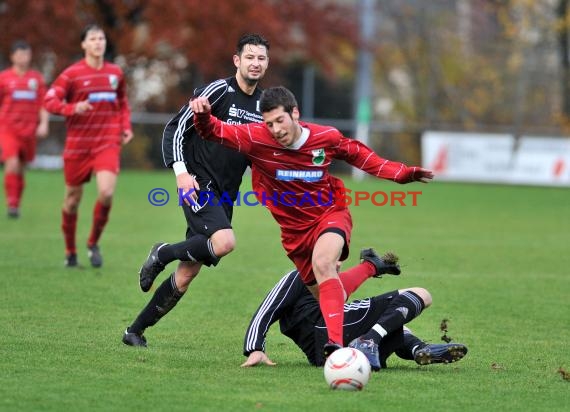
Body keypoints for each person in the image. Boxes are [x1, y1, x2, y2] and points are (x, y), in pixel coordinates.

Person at [190, 86, 434, 359]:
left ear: (295, 113)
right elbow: (215, 131)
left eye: (280, 121)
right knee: (331, 295)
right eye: (269, 124)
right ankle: (370, 266)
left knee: (324, 264)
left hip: (330, 214)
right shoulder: (255, 138)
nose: (276, 130)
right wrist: (202, 116)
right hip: (294, 234)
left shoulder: (324, 137)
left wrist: (402, 174)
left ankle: (337, 348)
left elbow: (361, 155)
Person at [122, 34, 271, 347]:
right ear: (237, 60)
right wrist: (181, 172)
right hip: (198, 182)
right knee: (225, 241)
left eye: (261, 58)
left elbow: (263, 151)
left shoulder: (265, 105)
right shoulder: (219, 90)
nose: (255, 63)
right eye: (250, 57)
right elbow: (176, 127)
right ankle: (161, 252)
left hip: (227, 194)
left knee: (187, 274)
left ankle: (134, 331)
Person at [241, 254, 468, 370]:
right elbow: (266, 310)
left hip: (326, 354)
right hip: (329, 332)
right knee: (421, 293)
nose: (338, 263)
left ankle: (418, 349)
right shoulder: (297, 276)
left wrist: (371, 268)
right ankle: (370, 340)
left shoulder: (324, 282)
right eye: (333, 256)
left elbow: (346, 284)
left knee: (392, 318)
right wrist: (254, 348)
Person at [44, 24, 133, 268]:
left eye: (101, 38)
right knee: (72, 200)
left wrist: (126, 126)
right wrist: (72, 108)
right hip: (77, 146)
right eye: (92, 39)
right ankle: (70, 252)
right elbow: (49, 101)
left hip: (107, 142)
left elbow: (123, 103)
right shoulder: (71, 74)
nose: (98, 43)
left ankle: (93, 242)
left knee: (106, 193)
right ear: (84, 44)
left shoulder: (115, 73)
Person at [0, 40, 49, 218]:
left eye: (26, 54)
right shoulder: (3, 78)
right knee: (11, 163)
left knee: (21, 168)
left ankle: (17, 203)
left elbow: (44, 103)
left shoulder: (36, 79)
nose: (23, 58)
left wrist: (43, 123)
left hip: (29, 131)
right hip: (8, 129)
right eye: (19, 54)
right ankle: (11, 203)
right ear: (12, 56)